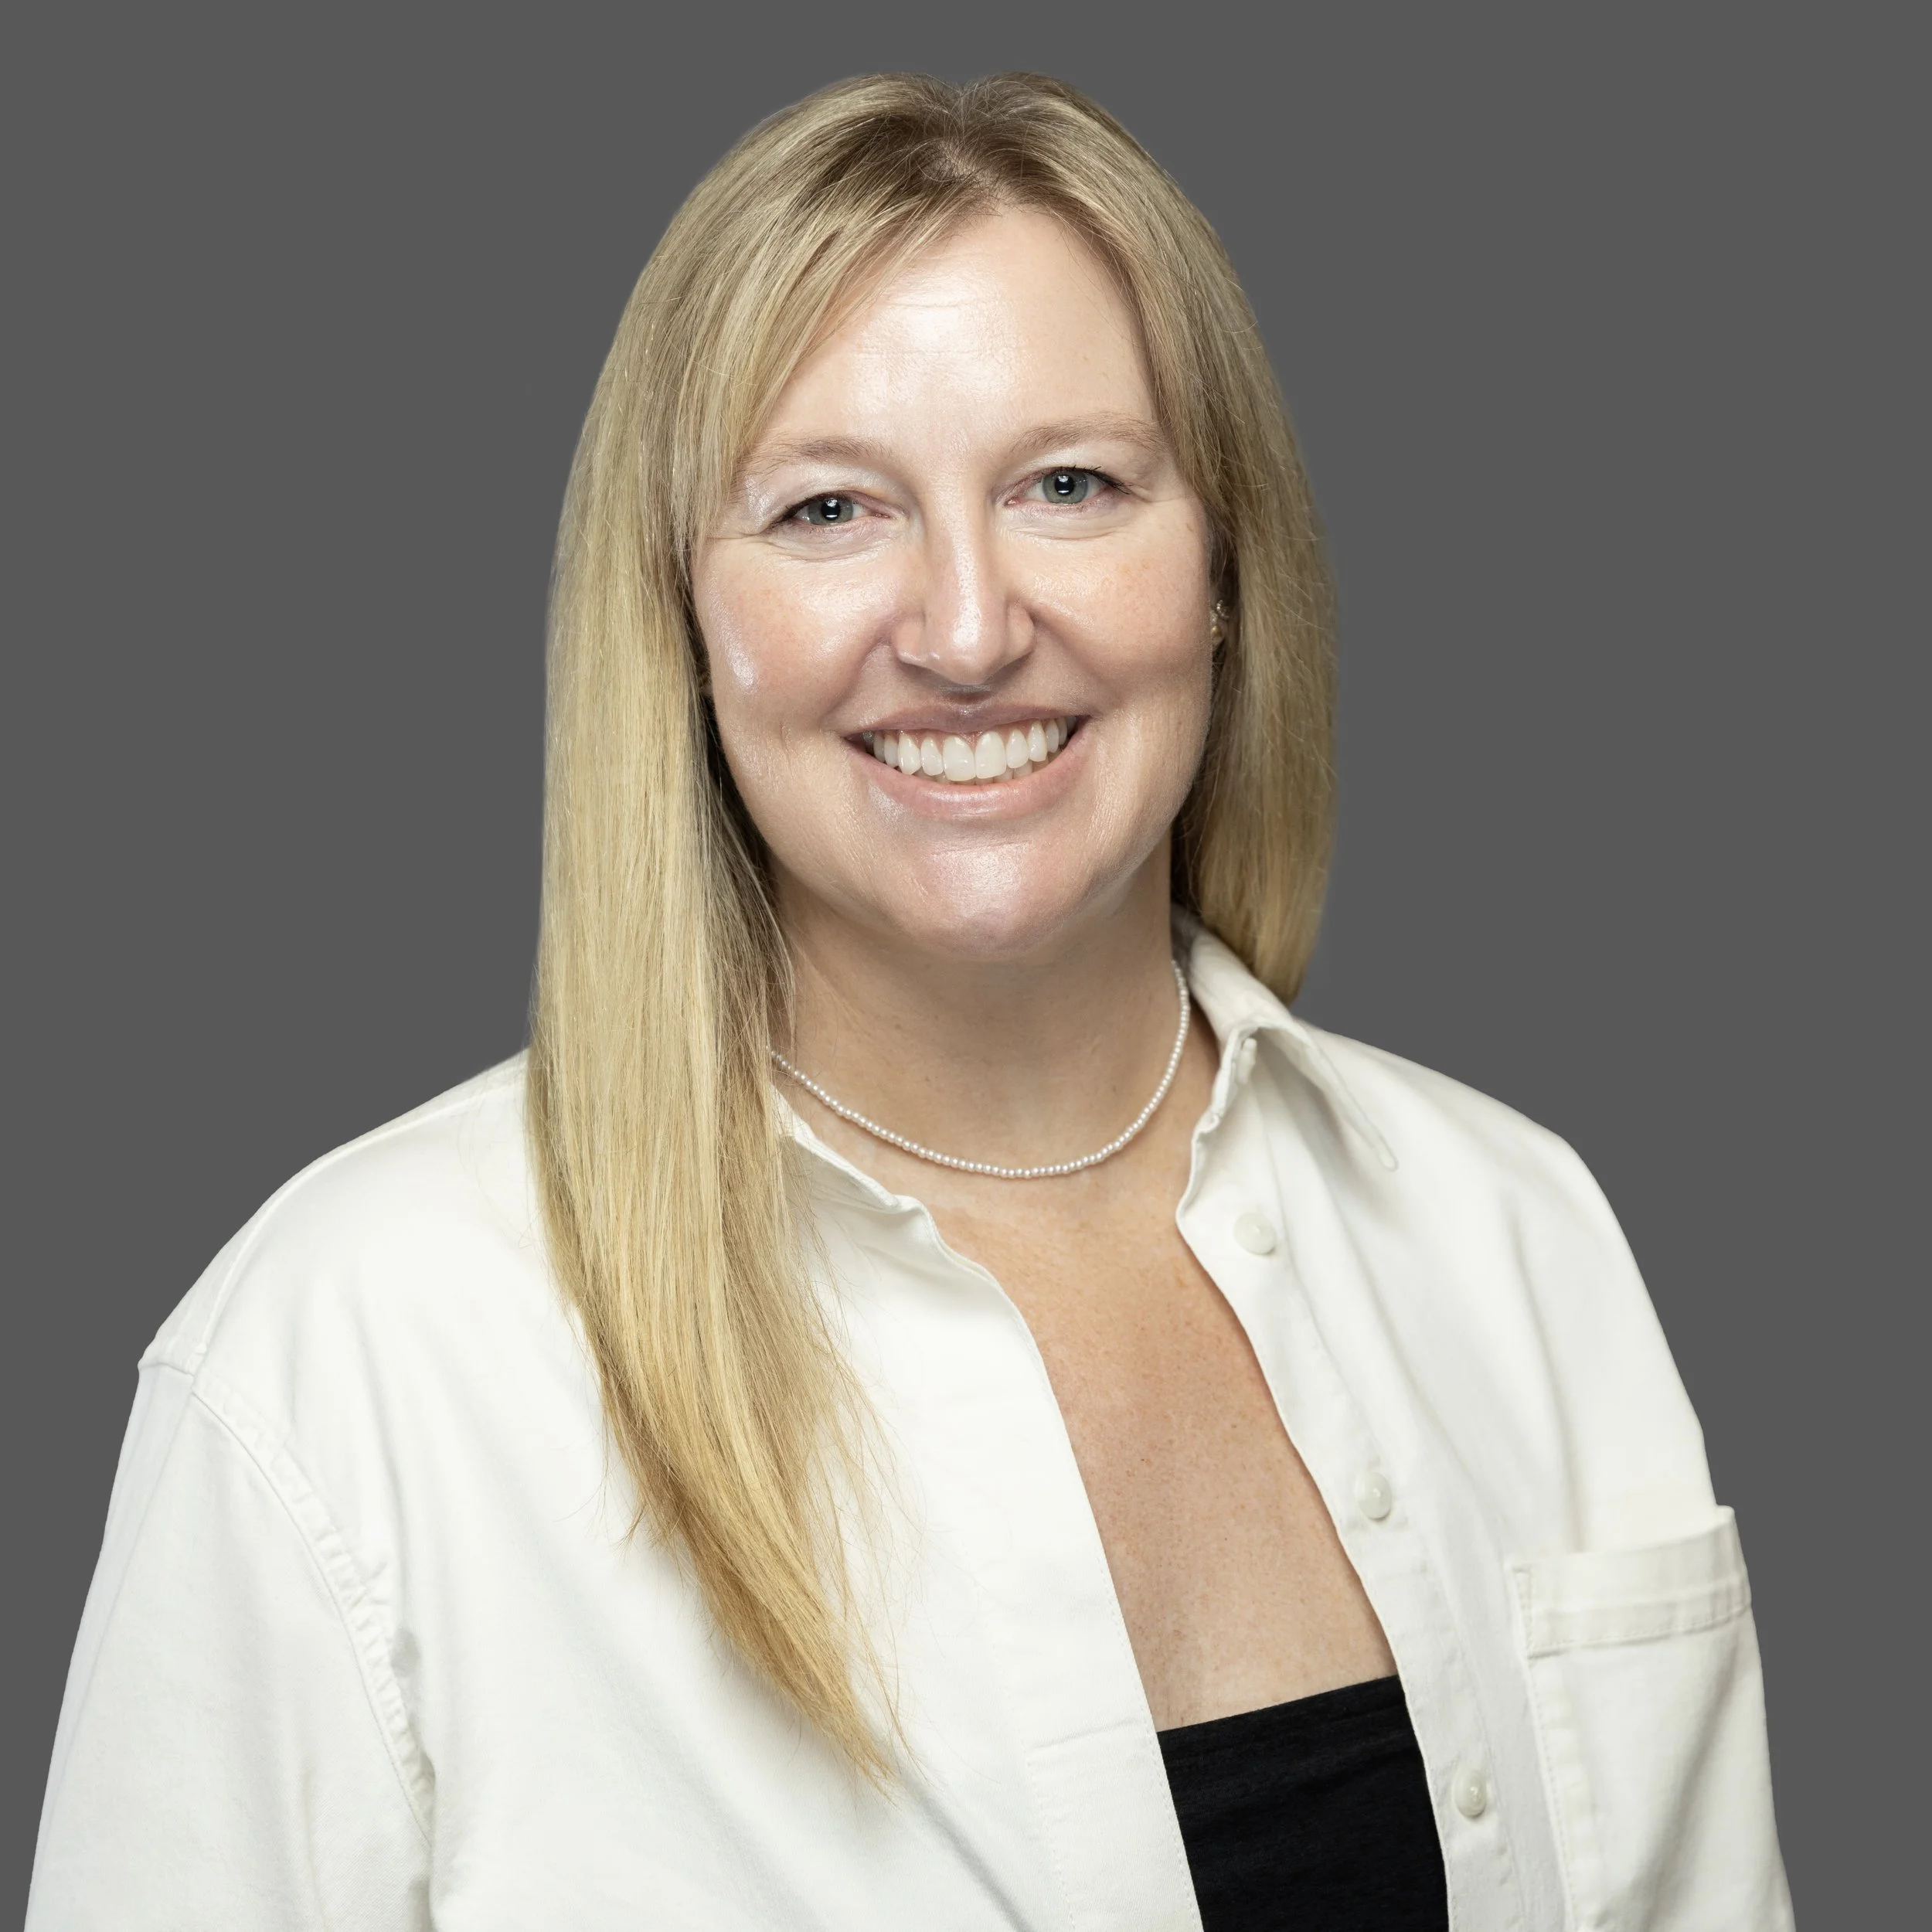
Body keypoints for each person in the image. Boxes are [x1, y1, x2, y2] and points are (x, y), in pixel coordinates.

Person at [26, 73, 1791, 1931]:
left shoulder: (1515, 1237)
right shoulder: (357, 1356)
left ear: (1220, 573)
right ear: (686, 627)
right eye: (827, 508)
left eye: (1068, 484)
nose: (962, 628)